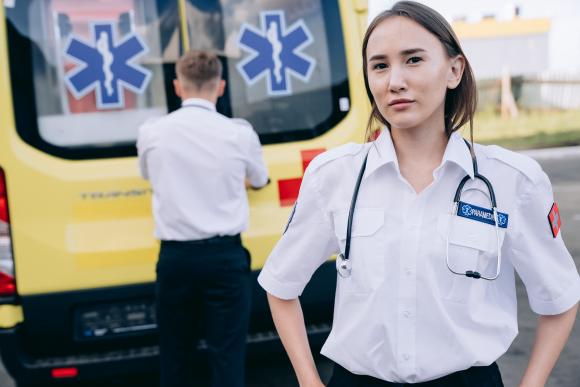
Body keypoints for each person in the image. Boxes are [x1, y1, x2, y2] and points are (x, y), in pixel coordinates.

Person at [257, 2, 580, 386]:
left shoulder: (512, 181)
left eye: (412, 60)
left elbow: (559, 299)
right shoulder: (334, 176)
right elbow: (280, 286)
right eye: (379, 65)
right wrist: (310, 381)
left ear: (454, 70)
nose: (394, 81)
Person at [137, 50, 269, 387]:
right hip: (224, 258)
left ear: (178, 86)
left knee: (175, 355)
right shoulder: (239, 133)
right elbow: (259, 178)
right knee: (227, 354)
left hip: (175, 259)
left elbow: (149, 175)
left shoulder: (152, 132)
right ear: (221, 86)